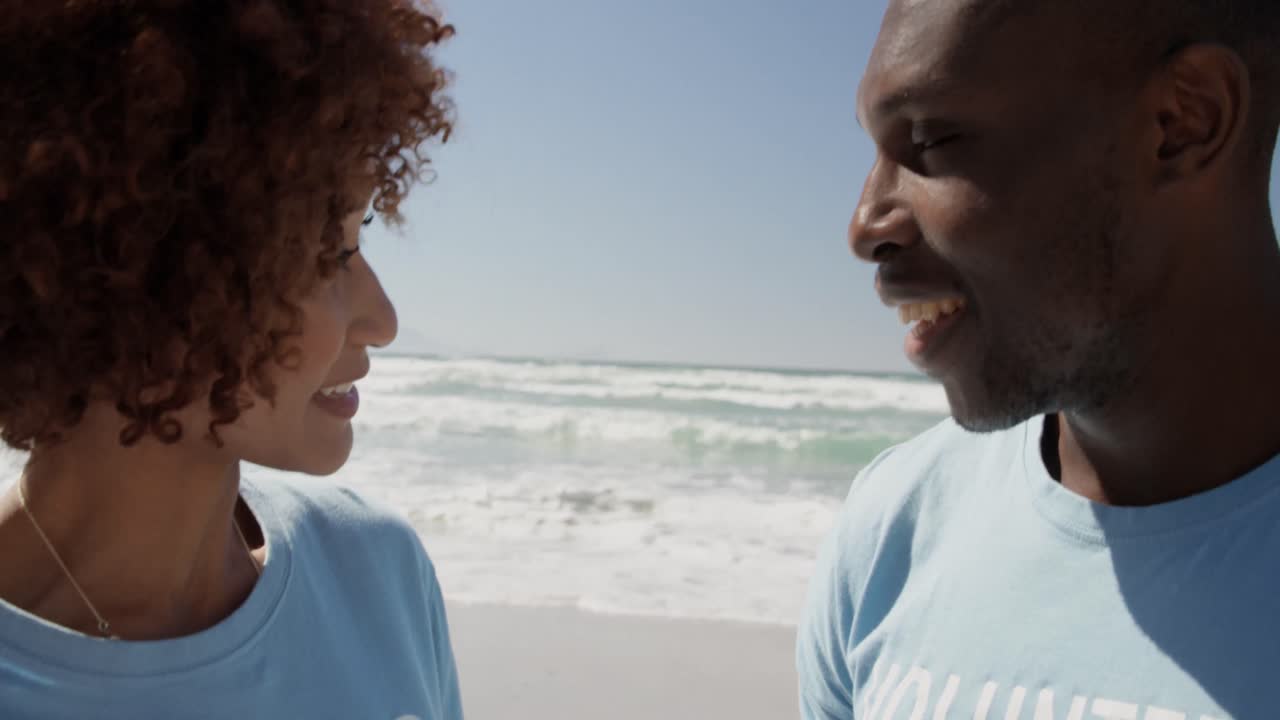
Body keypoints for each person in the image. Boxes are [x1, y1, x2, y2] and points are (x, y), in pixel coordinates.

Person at [798, 1, 1280, 718]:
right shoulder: (892, 529)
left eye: (933, 138)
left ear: (1184, 122)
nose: (865, 227)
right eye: (876, 150)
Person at [0, 1, 462, 718]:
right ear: (137, 265)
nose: (383, 321)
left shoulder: (380, 575)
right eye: (323, 250)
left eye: (358, 233)